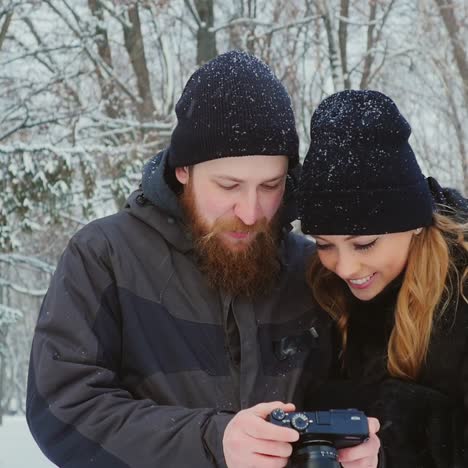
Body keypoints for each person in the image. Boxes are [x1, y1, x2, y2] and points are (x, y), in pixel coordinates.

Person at [26, 52, 380, 468]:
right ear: (183, 171)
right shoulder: (104, 255)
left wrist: (367, 447)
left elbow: (364, 395)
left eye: (270, 185)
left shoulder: (313, 268)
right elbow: (63, 408)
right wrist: (212, 444)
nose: (250, 212)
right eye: (228, 185)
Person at [297, 89, 468, 467]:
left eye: (364, 244)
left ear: (415, 225)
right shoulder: (322, 286)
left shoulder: (461, 291)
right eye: (325, 244)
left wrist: (399, 425)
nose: (343, 267)